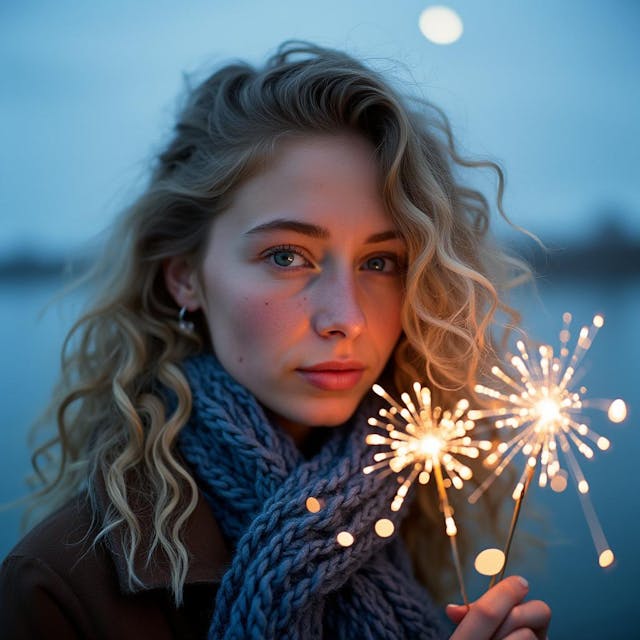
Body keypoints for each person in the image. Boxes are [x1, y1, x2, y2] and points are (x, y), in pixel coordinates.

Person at [0, 41, 551, 639]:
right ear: (185, 274)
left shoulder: (410, 510)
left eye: (382, 261)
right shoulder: (58, 586)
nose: (346, 318)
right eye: (286, 255)